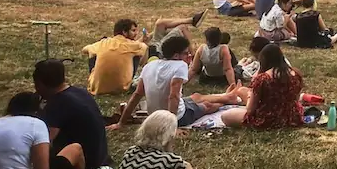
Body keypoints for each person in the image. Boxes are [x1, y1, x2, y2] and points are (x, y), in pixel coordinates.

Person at [112, 36, 245, 130]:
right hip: (177, 117)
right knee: (208, 106)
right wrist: (172, 127)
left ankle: (228, 96)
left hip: (156, 114)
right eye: (186, 53)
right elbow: (173, 96)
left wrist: (121, 122)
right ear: (176, 56)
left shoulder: (149, 65)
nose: (189, 57)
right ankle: (228, 100)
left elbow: (137, 95)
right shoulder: (180, 65)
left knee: (196, 96)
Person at [33, 59, 111, 169]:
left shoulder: (57, 104)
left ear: (39, 84)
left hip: (85, 166)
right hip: (100, 157)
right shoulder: (80, 92)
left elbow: (45, 142)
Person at [221, 44, 305, 129]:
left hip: (268, 119)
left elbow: (250, 110)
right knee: (243, 91)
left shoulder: (263, 79)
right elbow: (296, 100)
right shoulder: (296, 74)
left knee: (225, 116)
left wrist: (250, 96)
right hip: (293, 117)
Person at [84, 18, 151, 95]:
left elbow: (85, 49)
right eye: (133, 31)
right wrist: (145, 41)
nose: (136, 33)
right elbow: (143, 49)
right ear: (124, 32)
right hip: (121, 88)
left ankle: (96, 79)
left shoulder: (103, 43)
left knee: (92, 53)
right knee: (137, 54)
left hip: (97, 89)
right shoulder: (133, 46)